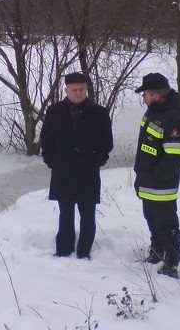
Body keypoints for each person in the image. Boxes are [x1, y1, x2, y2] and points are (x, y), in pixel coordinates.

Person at [40, 72, 114, 259]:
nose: (78, 93)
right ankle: (63, 250)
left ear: (87, 89)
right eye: (74, 90)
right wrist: (51, 160)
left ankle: (84, 252)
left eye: (82, 89)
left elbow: (106, 143)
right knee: (65, 212)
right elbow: (46, 139)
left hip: (88, 171)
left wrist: (98, 160)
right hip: (62, 170)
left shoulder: (99, 113)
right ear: (66, 90)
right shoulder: (54, 111)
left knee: (87, 213)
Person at [133, 72, 180, 278]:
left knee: (167, 225)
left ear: (156, 95)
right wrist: (142, 175)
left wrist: (156, 175)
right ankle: (156, 252)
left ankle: (172, 262)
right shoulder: (153, 112)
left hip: (162, 187)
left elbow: (178, 156)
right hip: (148, 183)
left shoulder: (172, 117)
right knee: (151, 219)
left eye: (145, 93)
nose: (143, 97)